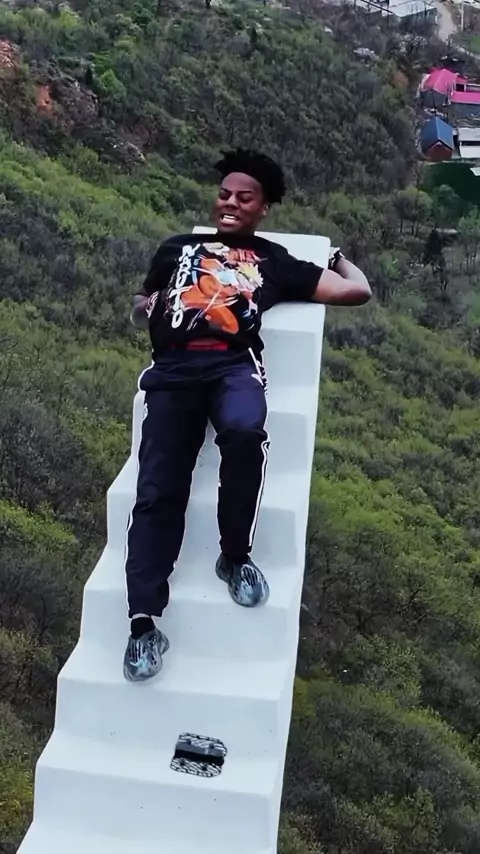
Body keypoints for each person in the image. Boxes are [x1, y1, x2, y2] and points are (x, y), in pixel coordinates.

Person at [123, 148, 371, 682]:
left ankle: (234, 557)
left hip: (233, 367)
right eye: (224, 195)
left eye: (244, 198)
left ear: (263, 208)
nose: (230, 204)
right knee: (158, 488)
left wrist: (335, 257)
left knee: (243, 431)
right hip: (172, 372)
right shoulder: (177, 247)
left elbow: (357, 291)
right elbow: (143, 302)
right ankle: (143, 624)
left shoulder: (273, 260)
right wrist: (145, 306)